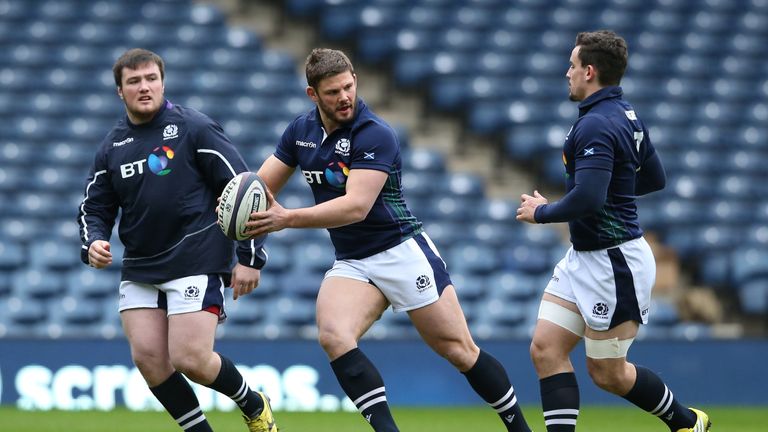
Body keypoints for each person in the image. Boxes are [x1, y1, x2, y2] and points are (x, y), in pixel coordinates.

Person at [243, 48, 532, 432]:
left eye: (349, 86)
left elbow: (356, 207)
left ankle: (519, 428)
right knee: (334, 335)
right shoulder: (300, 132)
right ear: (313, 95)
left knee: (460, 351)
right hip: (353, 259)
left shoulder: (374, 133)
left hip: (401, 251)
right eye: (333, 92)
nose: (345, 97)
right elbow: (259, 191)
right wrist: (242, 236)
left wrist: (286, 219)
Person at [516, 30, 711, 432]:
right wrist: (611, 190)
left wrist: (542, 212)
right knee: (545, 349)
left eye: (571, 65)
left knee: (608, 374)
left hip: (614, 263)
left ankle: (688, 423)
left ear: (589, 71)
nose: (565, 72)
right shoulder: (627, 115)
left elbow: (587, 199)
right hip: (584, 258)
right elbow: (654, 177)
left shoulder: (597, 125)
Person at [77, 48, 277, 432]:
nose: (144, 86)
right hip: (140, 266)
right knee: (150, 361)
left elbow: (246, 186)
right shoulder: (112, 146)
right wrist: (93, 242)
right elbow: (94, 207)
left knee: (190, 358)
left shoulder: (193, 127)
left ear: (162, 82)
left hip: (196, 257)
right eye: (134, 81)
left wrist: (250, 257)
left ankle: (253, 403)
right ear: (120, 91)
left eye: (151, 78)